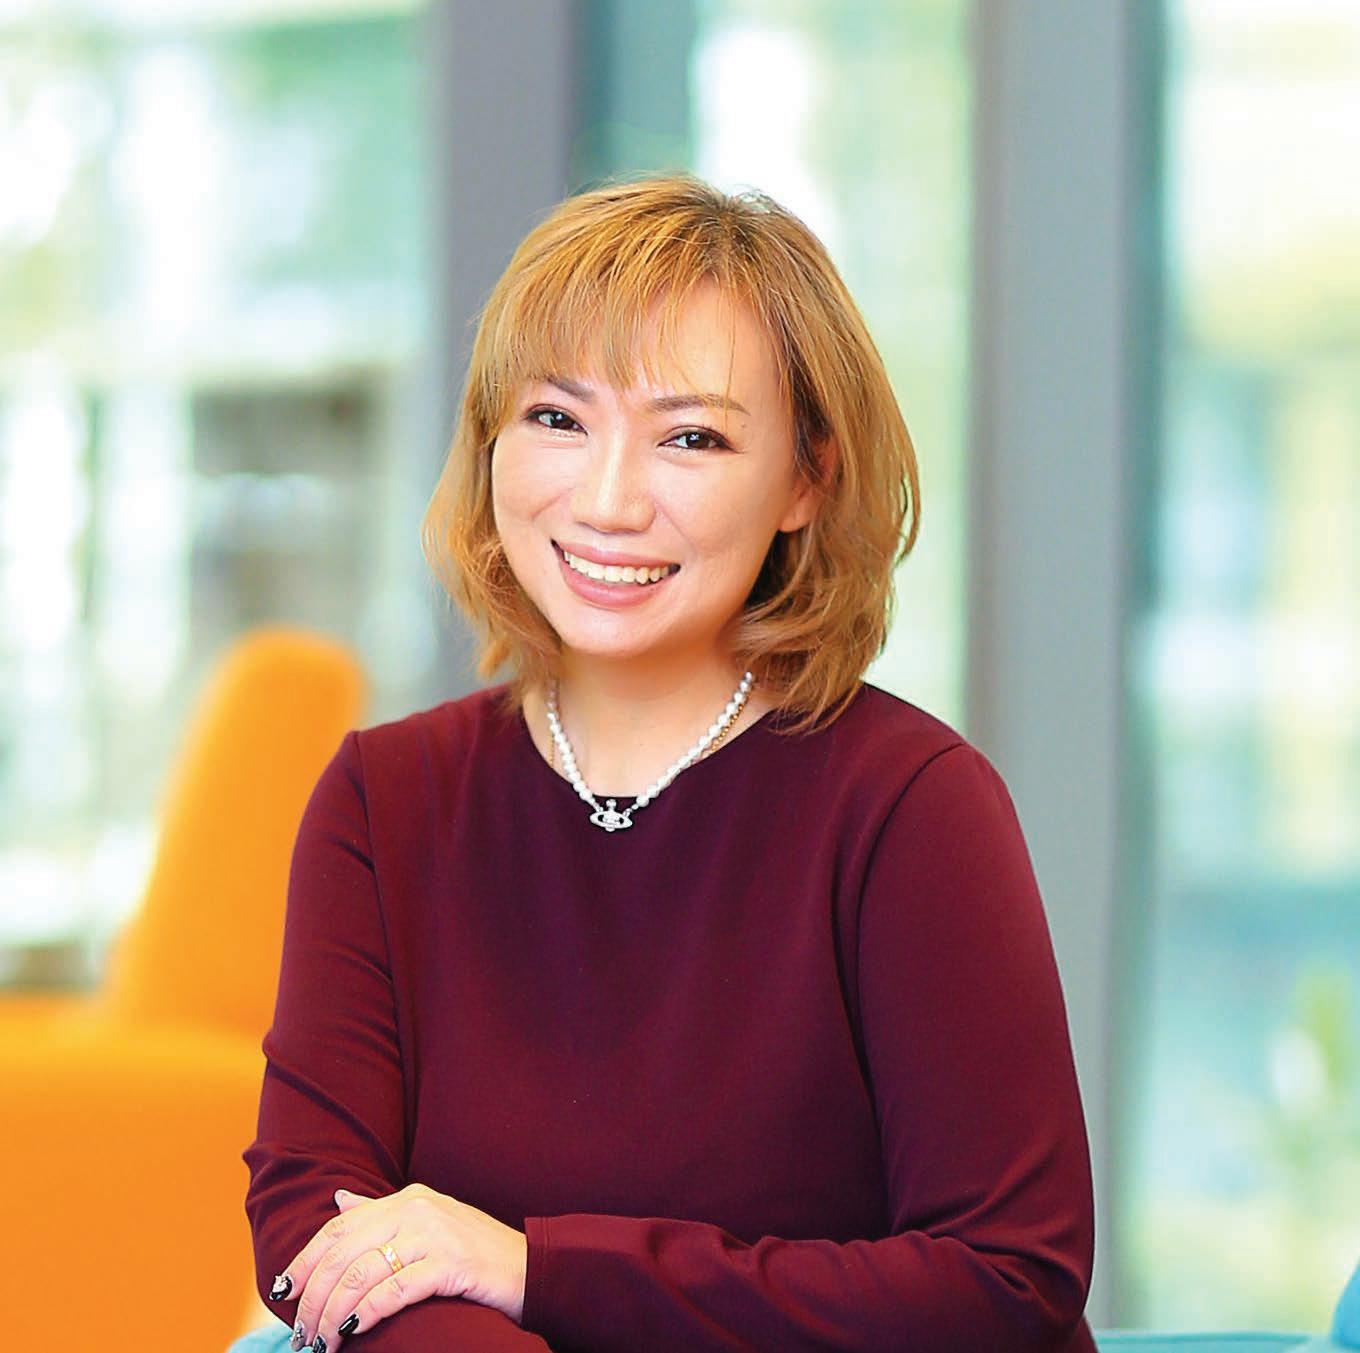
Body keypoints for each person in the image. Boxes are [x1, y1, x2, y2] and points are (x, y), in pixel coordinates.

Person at [240, 173, 1097, 1352]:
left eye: (690, 437)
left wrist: (540, 1270)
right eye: (557, 419)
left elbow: (1005, 1278)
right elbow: (318, 1235)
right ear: (489, 441)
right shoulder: (384, 802)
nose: (607, 501)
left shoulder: (911, 806)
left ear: (806, 480)